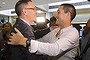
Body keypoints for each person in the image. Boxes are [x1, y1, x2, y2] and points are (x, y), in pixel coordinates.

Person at [8, 3, 79, 60]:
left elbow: (55, 49)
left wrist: (25, 42)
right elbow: (40, 41)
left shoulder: (73, 33)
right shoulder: (56, 30)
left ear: (68, 15)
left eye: (58, 12)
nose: (55, 15)